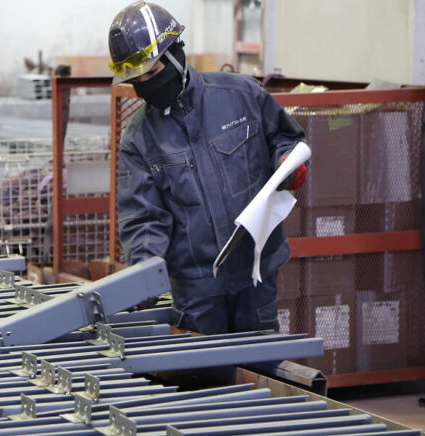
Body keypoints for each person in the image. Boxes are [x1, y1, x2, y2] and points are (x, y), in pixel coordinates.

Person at [110, 1, 308, 335]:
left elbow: (284, 138)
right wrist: (143, 277)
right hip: (197, 292)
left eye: (152, 73)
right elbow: (144, 218)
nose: (146, 84)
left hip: (256, 273)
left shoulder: (241, 95)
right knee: (204, 366)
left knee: (261, 360)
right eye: (137, 80)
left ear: (176, 55)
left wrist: (288, 161)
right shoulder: (138, 140)